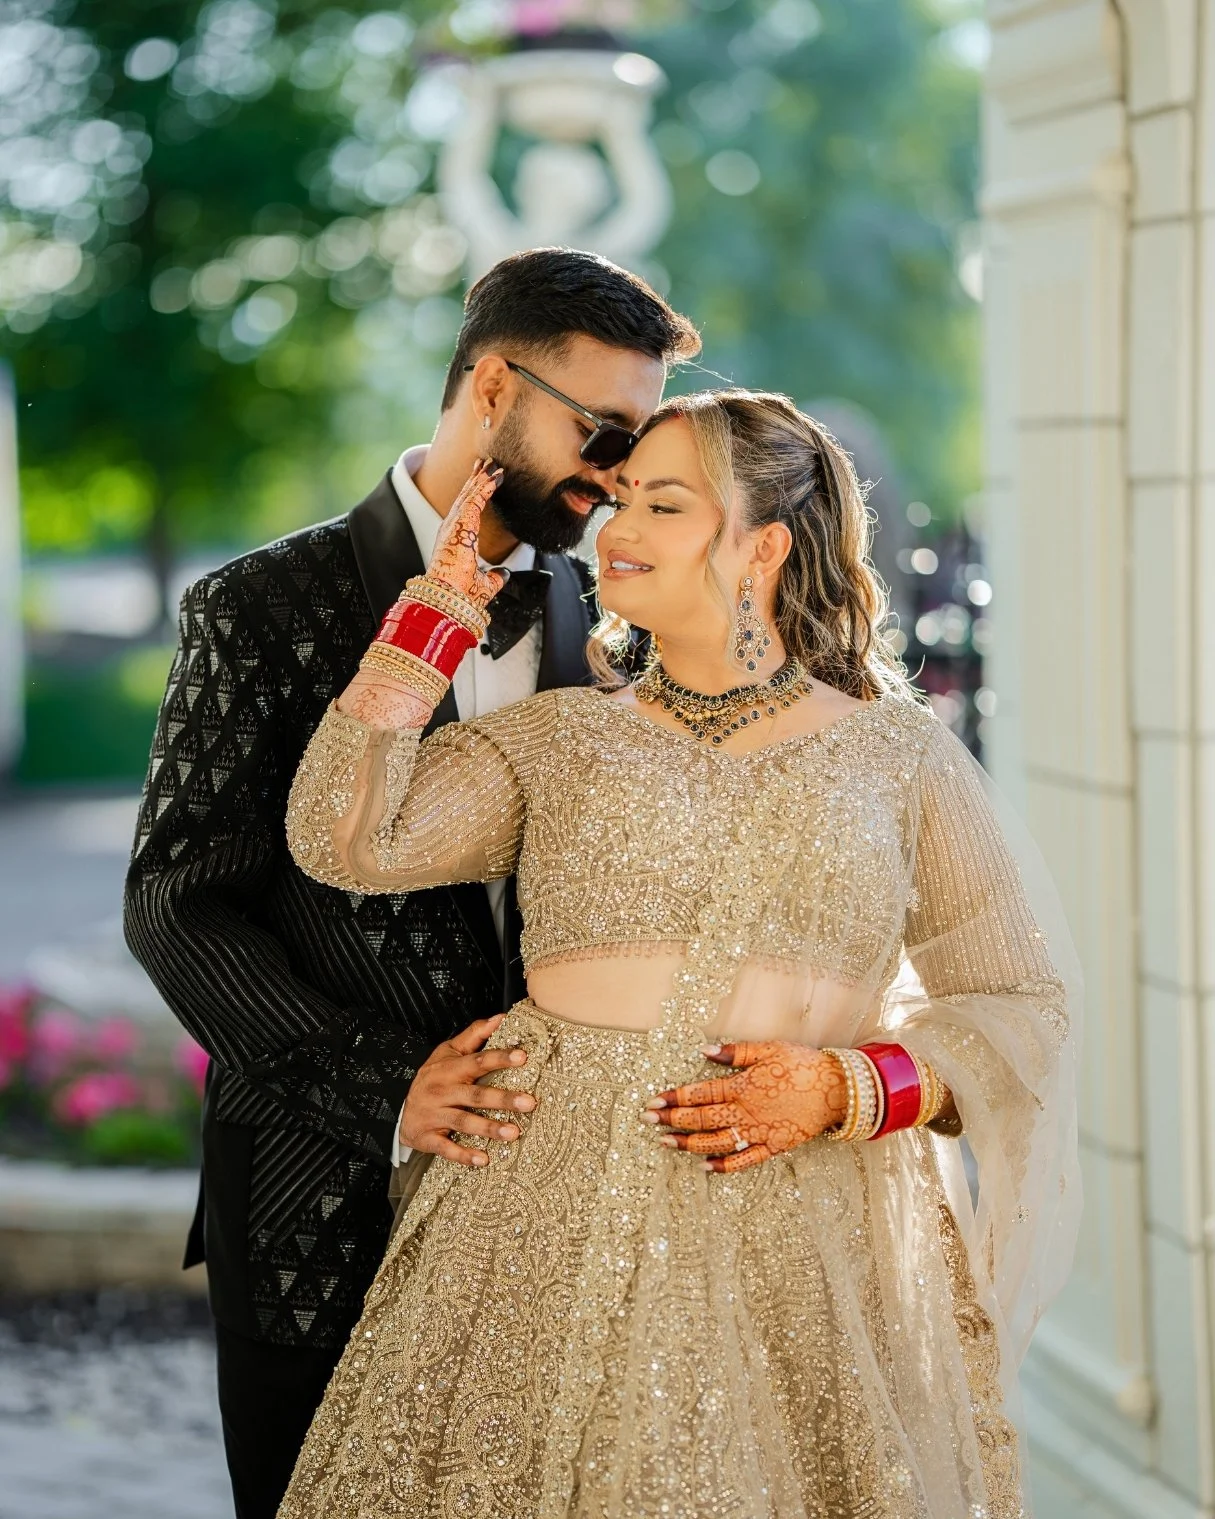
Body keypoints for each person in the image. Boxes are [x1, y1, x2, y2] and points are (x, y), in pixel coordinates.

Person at [278, 390, 1080, 1518]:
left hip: (807, 1239)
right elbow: (344, 837)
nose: (615, 529)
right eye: (616, 501)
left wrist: (846, 1087)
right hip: (545, 1227)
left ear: (762, 546)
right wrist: (439, 610)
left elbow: (1019, 1004)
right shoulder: (555, 740)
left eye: (662, 503)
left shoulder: (900, 761)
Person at [122, 247, 701, 1519]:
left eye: (638, 443)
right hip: (315, 1204)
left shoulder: (614, 630)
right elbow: (177, 903)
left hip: (550, 1214)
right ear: (492, 386)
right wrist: (391, 1087)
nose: (617, 478)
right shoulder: (256, 607)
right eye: (601, 432)